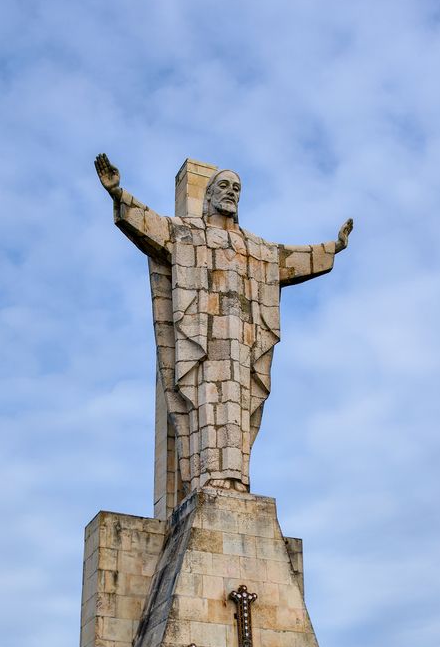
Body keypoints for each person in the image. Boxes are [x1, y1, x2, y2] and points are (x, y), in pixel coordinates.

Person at [96, 153, 353, 496]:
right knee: (205, 406)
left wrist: (333, 247)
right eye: (224, 186)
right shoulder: (188, 234)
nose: (231, 192)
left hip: (243, 348)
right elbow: (153, 226)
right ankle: (207, 477)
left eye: (237, 188)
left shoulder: (256, 248)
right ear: (210, 194)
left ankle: (238, 479)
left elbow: (291, 258)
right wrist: (118, 193)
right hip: (204, 344)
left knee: (239, 413)